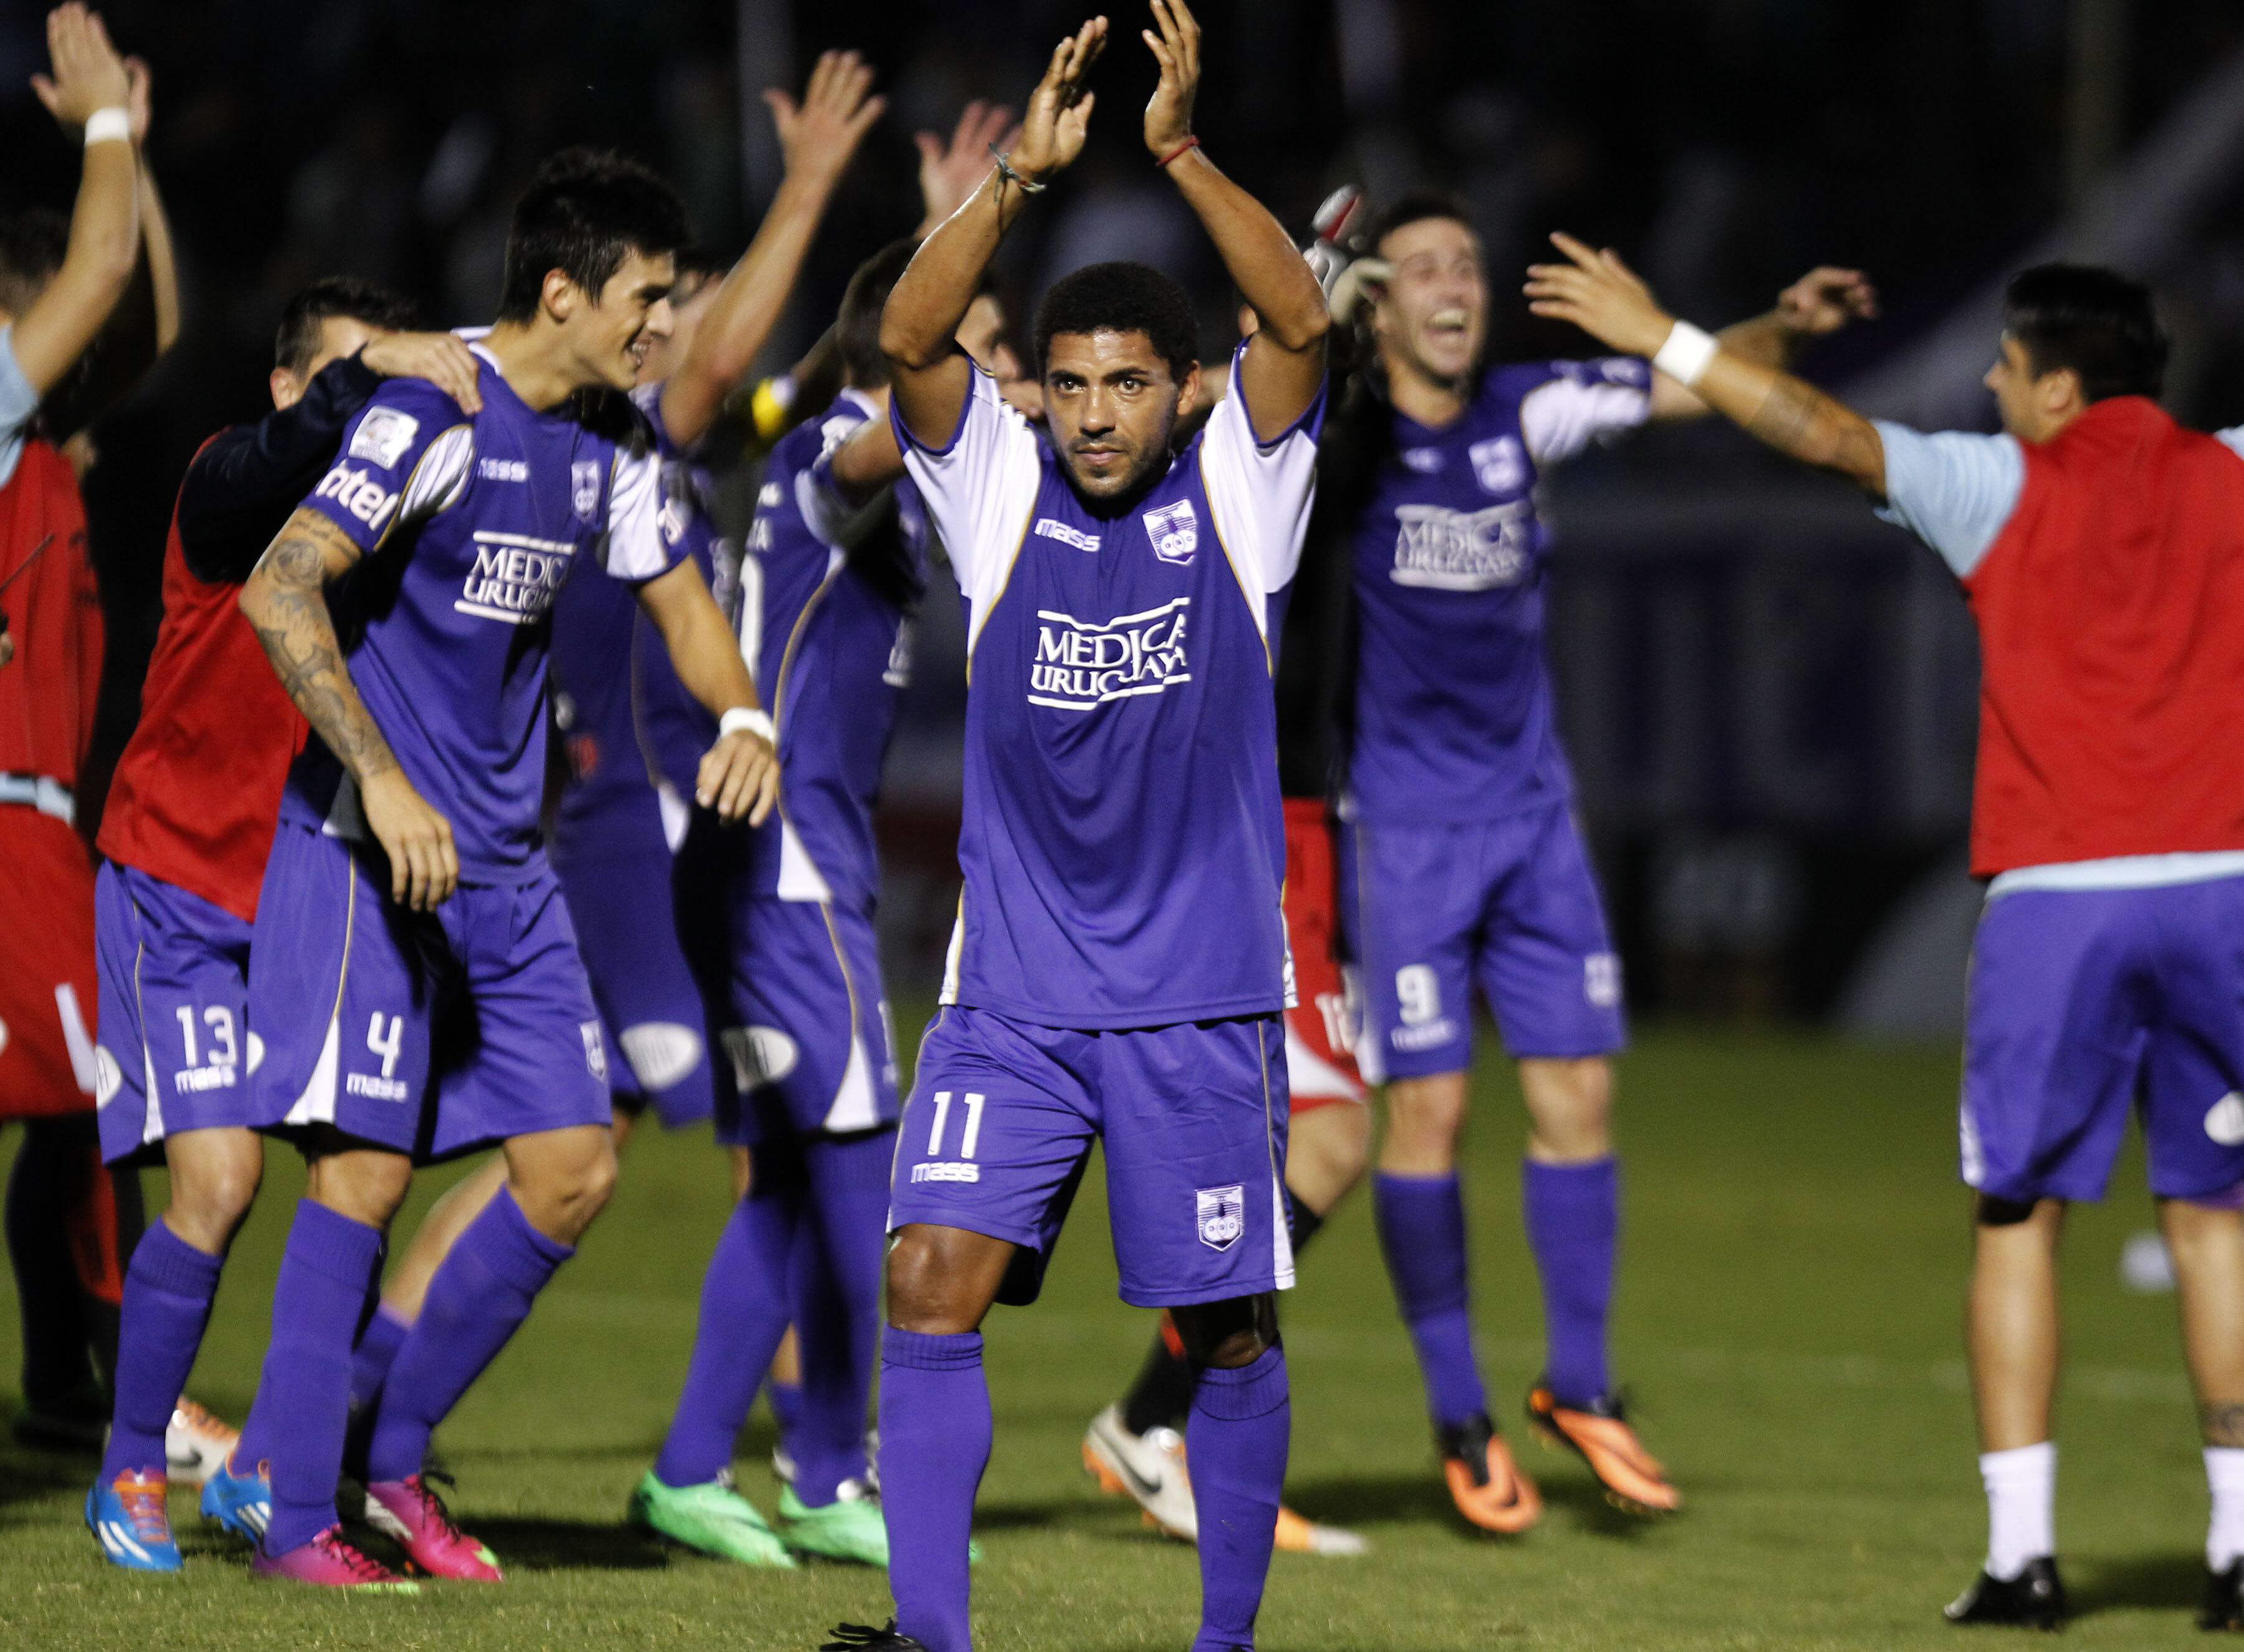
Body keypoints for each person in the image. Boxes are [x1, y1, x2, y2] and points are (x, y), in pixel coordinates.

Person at [1528, 239, 2244, 1630]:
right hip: (2227, 887)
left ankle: (2023, 1559)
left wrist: (1664, 335)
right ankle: (2237, 1551)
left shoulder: (2002, 484)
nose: (1988, 383)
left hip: (2060, 897)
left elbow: (1825, 432)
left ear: (2054, 386)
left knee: (2017, 1218)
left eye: (2005, 365)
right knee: (2219, 1223)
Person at [824, 4, 1328, 1648]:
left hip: (1195, 999)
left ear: (1185, 393)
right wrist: (1018, 187)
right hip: (1014, 999)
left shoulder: (1245, 493)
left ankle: (1226, 1637)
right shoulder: (1002, 484)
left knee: (1229, 1330)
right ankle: (931, 1636)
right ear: (1036, 392)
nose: (1099, 413)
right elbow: (909, 340)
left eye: (1129, 384)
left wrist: (1175, 150)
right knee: (928, 1284)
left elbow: (1303, 316)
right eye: (1071, 384)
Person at [233, 147, 777, 1591]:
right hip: (370, 844)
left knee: (574, 1167)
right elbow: (279, 584)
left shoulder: (615, 443)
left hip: (509, 869)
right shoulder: (435, 414)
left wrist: (744, 713)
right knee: (363, 1176)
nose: (669, 328)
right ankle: (291, 1518)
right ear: (563, 292)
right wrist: (385, 780)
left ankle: (389, 1462)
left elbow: (683, 601)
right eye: (650, 300)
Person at [1330, 193, 1872, 1528]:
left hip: (1535, 821)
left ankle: (1580, 1386)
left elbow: (1685, 383)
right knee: (1433, 1117)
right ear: (1379, 305)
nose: (1457, 283)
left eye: (1470, 261)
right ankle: (1458, 1413)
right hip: (1401, 831)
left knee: (1581, 1095)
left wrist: (1776, 328)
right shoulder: (1337, 442)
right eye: (1425, 268)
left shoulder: (1530, 407)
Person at [82, 276, 480, 1570]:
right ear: (285, 385)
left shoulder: (385, 528)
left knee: (357, 1175)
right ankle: (131, 1466)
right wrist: (386, 367)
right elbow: (289, 448)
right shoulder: (228, 486)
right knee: (221, 1181)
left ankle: (272, 1464)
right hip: (178, 889)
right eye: (339, 376)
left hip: (313, 895)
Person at [0, 2, 177, 1459]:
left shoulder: (44, 444)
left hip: (41, 818)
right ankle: (130, 1391)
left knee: (74, 1105)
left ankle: (74, 1379)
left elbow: (142, 310)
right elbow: (103, 269)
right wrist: (104, 130)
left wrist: (139, 150)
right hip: (6, 822)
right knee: (105, 1092)